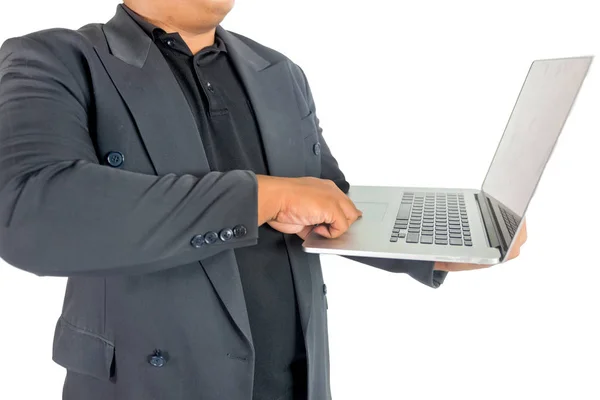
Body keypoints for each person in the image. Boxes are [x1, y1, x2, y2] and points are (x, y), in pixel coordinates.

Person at [0, 1, 527, 399]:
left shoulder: (280, 71)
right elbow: (31, 210)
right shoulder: (53, 58)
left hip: (292, 377)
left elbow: (324, 198)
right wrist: (260, 195)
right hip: (147, 382)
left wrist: (433, 243)